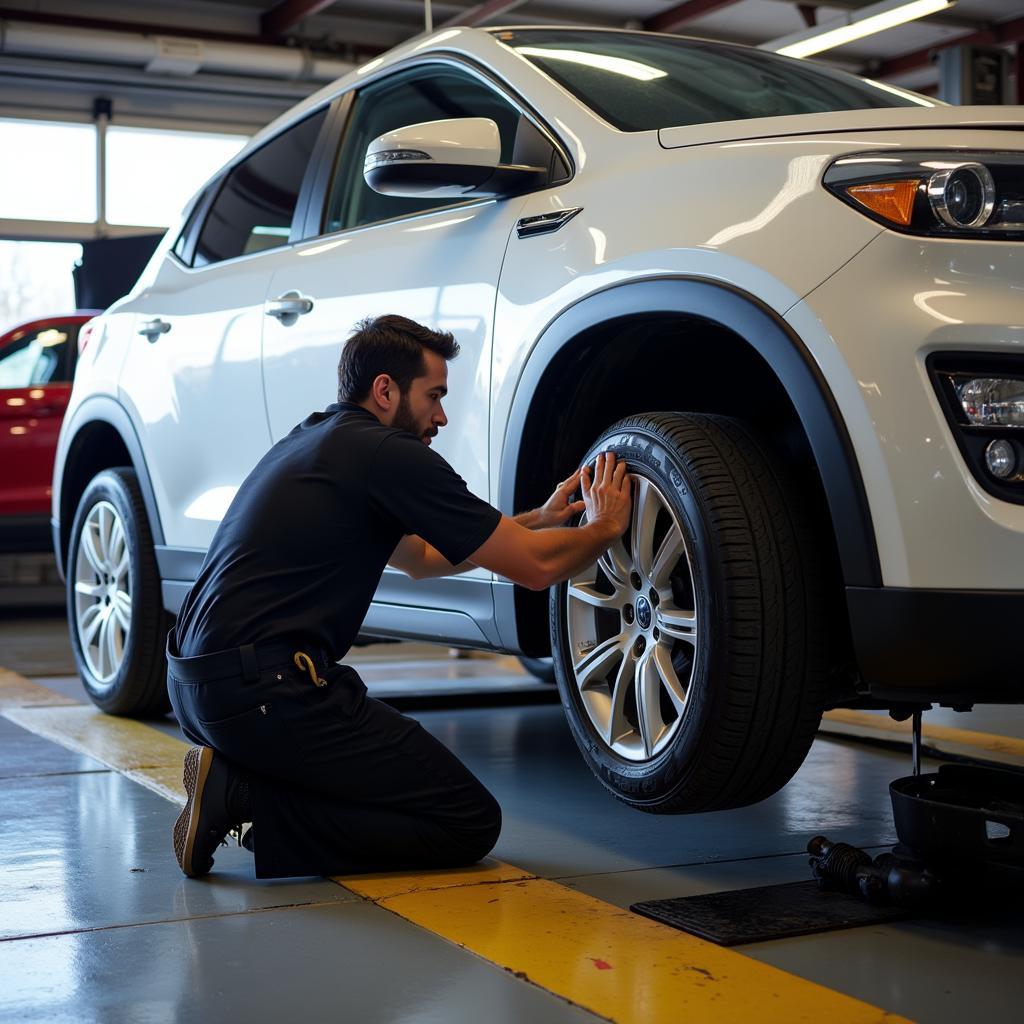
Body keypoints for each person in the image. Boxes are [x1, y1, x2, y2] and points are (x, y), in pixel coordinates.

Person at [168, 314, 631, 879]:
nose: (441, 416)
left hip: (199, 687)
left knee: (396, 791)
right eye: (433, 395)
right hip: (265, 692)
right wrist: (604, 529)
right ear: (385, 390)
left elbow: (421, 559)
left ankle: (240, 786)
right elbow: (536, 572)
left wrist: (539, 518)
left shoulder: (316, 439)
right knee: (466, 820)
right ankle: (241, 797)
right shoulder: (389, 453)